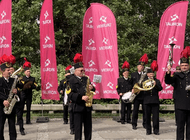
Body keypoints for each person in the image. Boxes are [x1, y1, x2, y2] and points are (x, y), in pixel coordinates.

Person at [68, 53, 95, 140]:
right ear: (75, 71)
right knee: (78, 129)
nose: (82, 72)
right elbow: (70, 94)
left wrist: (92, 88)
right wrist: (81, 97)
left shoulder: (86, 78)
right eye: (80, 70)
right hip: (78, 107)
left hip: (87, 107)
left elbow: (92, 90)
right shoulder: (70, 80)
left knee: (88, 128)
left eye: (83, 70)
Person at [165, 47, 190, 140]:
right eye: (183, 65)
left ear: (188, 66)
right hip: (180, 105)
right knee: (180, 126)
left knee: (189, 127)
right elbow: (168, 81)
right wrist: (168, 72)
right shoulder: (176, 75)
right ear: (180, 66)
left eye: (186, 65)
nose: (184, 67)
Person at [0, 54, 22, 140]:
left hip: (11, 107)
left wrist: (16, 91)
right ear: (2, 71)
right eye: (7, 70)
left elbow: (19, 90)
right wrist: (3, 100)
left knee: (12, 126)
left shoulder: (13, 80)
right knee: (0, 127)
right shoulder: (0, 81)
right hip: (2, 107)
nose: (10, 71)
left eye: (10, 70)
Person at [143, 60, 162, 135]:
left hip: (155, 101)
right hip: (147, 101)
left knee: (156, 117)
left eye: (152, 73)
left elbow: (160, 88)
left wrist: (155, 84)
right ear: (147, 74)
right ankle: (148, 130)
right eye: (150, 73)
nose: (151, 75)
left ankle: (156, 130)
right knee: (147, 117)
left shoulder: (157, 81)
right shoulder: (144, 81)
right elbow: (142, 89)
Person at [131, 53, 148, 130]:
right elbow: (130, 83)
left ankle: (145, 124)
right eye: (140, 66)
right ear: (137, 67)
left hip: (144, 95)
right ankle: (134, 124)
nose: (141, 67)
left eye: (143, 66)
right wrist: (132, 89)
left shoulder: (146, 75)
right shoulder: (133, 74)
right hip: (137, 95)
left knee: (145, 110)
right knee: (135, 110)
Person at [58, 65, 75, 135]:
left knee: (72, 111)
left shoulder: (73, 80)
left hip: (71, 97)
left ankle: (73, 127)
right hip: (65, 97)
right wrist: (60, 91)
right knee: (65, 109)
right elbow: (59, 88)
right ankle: (65, 120)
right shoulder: (63, 81)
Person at [20, 58, 37, 124]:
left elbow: (35, 86)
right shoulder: (22, 78)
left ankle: (28, 120)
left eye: (29, 71)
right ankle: (19, 120)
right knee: (21, 108)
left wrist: (31, 86)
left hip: (29, 94)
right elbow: (20, 86)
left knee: (28, 108)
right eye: (27, 71)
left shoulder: (32, 78)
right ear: (25, 72)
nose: (28, 72)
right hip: (23, 94)